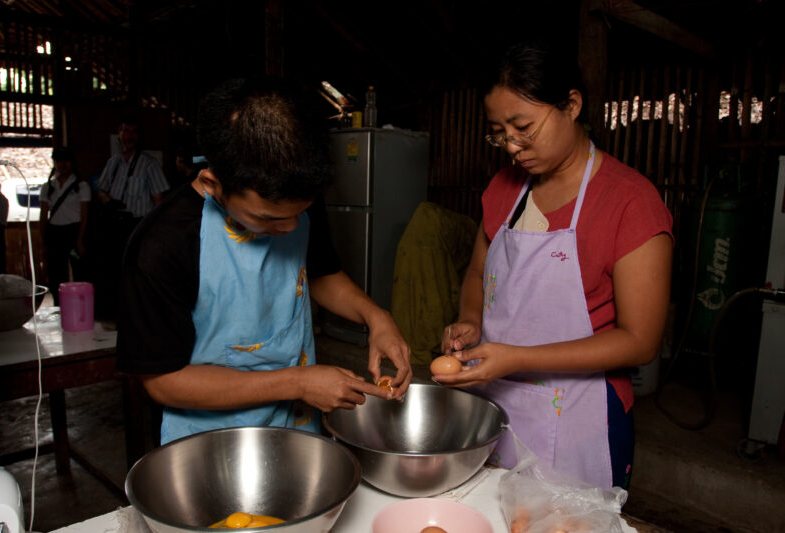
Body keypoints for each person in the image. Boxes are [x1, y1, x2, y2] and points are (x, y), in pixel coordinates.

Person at [116, 78, 413, 445]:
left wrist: (375, 317)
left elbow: (321, 273)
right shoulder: (162, 245)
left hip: (295, 425)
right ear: (212, 183)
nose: (289, 228)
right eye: (268, 219)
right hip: (211, 440)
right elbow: (163, 381)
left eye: (297, 214)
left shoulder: (291, 192)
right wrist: (298, 381)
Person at [436, 42, 673, 490]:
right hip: (497, 403)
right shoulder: (505, 189)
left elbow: (640, 342)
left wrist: (516, 358)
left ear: (571, 105)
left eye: (523, 128)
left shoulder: (630, 202)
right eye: (499, 132)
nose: (511, 146)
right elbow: (475, 274)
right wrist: (469, 321)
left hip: (581, 417)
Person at [92, 117, 169, 318]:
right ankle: (115, 313)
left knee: (136, 273)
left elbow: (159, 199)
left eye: (134, 131)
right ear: (119, 135)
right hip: (115, 225)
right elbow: (101, 190)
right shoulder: (114, 162)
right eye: (126, 131)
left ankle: (138, 314)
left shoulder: (149, 164)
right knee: (113, 272)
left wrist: (154, 232)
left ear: (140, 136)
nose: (130, 136)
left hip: (138, 225)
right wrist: (108, 200)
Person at [39, 147, 90, 304]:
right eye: (59, 161)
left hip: (74, 231)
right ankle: (58, 306)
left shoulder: (81, 186)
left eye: (66, 161)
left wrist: (80, 240)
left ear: (72, 163)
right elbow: (43, 216)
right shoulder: (48, 187)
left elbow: (84, 216)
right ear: (54, 163)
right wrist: (43, 242)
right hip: (54, 233)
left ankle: (81, 306)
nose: (63, 164)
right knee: (56, 274)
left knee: (79, 273)